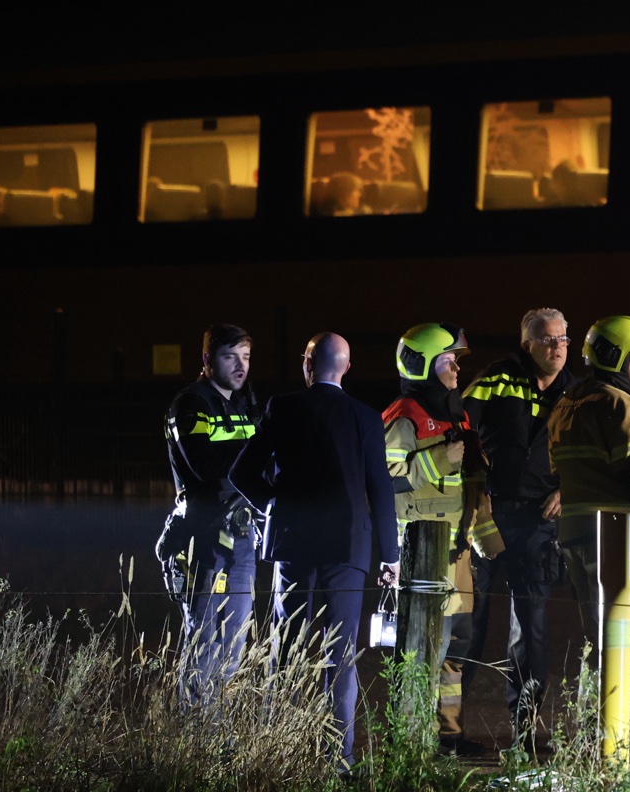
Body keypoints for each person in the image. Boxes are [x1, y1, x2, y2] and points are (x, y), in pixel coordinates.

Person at [228, 332, 399, 766]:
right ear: (346, 366)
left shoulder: (283, 407)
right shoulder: (365, 416)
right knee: (339, 656)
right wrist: (390, 556)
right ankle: (339, 759)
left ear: (307, 364)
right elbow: (380, 489)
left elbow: (242, 472)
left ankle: (276, 749)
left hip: (294, 543)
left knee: (285, 648)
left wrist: (273, 504)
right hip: (349, 547)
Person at [548, 315, 630, 757]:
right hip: (615, 538)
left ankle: (597, 729)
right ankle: (616, 743)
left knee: (597, 636)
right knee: (623, 635)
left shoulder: (570, 400)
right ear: (617, 356)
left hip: (577, 531)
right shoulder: (619, 404)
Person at [463, 307, 573, 751]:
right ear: (527, 344)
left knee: (532, 629)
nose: (558, 346)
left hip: (538, 522)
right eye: (548, 339)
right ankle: (448, 732)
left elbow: (587, 450)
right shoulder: (497, 378)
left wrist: (567, 487)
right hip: (488, 515)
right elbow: (458, 424)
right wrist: (476, 483)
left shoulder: (574, 394)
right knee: (468, 623)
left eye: (564, 338)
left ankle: (525, 733)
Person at [381, 322, 476, 751]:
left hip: (455, 551)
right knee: (424, 649)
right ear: (423, 366)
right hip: (421, 553)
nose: (456, 368)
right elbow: (387, 479)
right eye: (448, 361)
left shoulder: (455, 412)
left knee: (456, 645)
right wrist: (441, 457)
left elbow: (467, 484)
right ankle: (411, 739)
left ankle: (447, 735)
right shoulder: (404, 415)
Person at [157, 323, 262, 711]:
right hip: (202, 539)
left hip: (241, 540)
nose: (240, 366)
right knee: (204, 642)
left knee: (233, 645)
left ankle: (220, 738)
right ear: (207, 360)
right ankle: (195, 737)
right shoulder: (190, 404)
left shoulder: (245, 403)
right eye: (230, 356)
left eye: (246, 357)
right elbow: (205, 465)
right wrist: (256, 449)